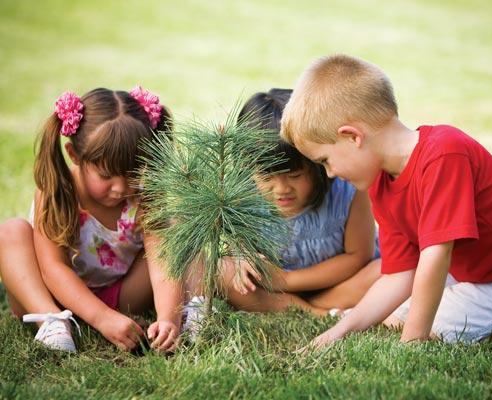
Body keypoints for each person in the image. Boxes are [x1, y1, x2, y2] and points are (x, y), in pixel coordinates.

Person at [279, 54, 492, 346]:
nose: (331, 173)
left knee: (436, 331)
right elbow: (398, 275)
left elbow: (435, 256)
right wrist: (340, 331)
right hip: (479, 274)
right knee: (392, 318)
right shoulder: (380, 184)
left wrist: (414, 340)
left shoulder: (444, 153)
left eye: (325, 160)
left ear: (352, 136)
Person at [0, 87, 185, 353]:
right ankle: (50, 322)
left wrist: (169, 317)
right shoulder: (58, 190)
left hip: (120, 296)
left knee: (178, 236)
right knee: (10, 231)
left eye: (133, 172)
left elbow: (162, 261)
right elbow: (53, 268)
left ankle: (187, 309)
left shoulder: (146, 195)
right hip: (50, 296)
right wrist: (101, 319)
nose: (120, 188)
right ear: (75, 156)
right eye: (106, 175)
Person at [219, 88, 381, 316]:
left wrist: (286, 280)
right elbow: (235, 245)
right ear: (248, 169)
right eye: (266, 177)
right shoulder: (240, 195)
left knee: (385, 271)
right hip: (273, 290)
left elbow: (358, 256)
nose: (282, 189)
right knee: (221, 272)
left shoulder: (347, 190)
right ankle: (317, 312)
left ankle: (313, 306)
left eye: (295, 176)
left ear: (317, 162)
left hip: (341, 284)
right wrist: (240, 257)